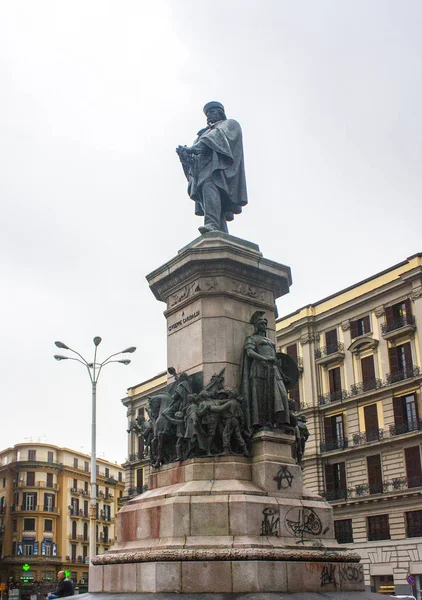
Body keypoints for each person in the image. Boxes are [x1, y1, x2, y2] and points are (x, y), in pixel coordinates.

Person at [176, 101, 248, 234]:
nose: (209, 116)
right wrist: (185, 155)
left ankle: (212, 224)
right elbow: (195, 154)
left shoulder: (229, 124)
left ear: (220, 113)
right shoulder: (202, 134)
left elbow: (216, 138)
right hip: (201, 171)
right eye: (207, 114)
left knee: (210, 189)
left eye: (212, 112)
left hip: (217, 169)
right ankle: (219, 229)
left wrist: (194, 148)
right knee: (206, 196)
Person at [241, 311, 294, 433]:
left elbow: (275, 356)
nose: (264, 326)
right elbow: (249, 352)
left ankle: (281, 421)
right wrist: (263, 359)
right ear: (256, 325)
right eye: (261, 324)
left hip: (273, 369)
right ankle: (262, 423)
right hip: (259, 368)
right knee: (260, 396)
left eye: (265, 323)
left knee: (281, 394)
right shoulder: (251, 338)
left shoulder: (270, 341)